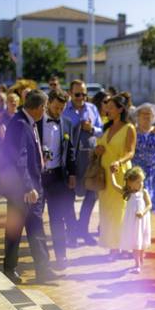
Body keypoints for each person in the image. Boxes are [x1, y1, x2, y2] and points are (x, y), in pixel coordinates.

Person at [0, 90, 56, 285]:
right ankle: (10, 268)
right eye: (45, 107)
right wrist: (28, 187)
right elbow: (19, 159)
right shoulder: (21, 124)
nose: (45, 110)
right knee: (16, 228)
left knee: (36, 227)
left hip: (27, 186)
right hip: (21, 188)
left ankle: (43, 269)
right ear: (38, 108)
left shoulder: (26, 121)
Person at [94, 94, 136, 258]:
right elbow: (99, 147)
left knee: (121, 211)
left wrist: (119, 162)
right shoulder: (106, 127)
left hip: (121, 173)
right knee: (106, 211)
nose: (107, 110)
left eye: (111, 107)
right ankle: (113, 246)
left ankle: (124, 247)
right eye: (106, 107)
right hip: (104, 175)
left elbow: (131, 152)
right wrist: (97, 151)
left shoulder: (129, 128)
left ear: (120, 109)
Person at [63, 80, 104, 245]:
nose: (81, 97)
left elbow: (102, 131)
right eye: (77, 94)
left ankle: (83, 230)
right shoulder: (65, 110)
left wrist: (92, 129)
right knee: (69, 197)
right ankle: (72, 232)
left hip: (91, 160)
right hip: (72, 160)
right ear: (70, 94)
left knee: (91, 196)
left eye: (84, 94)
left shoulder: (92, 108)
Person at [41, 89, 79, 266]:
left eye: (62, 108)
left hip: (57, 176)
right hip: (39, 176)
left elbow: (71, 151)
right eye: (56, 107)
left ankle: (60, 256)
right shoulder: (37, 121)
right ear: (48, 103)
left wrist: (72, 174)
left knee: (57, 218)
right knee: (34, 218)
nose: (58, 111)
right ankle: (40, 257)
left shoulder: (67, 123)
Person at [111, 166, 152, 274]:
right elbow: (115, 186)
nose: (141, 184)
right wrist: (112, 174)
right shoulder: (128, 194)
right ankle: (137, 264)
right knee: (135, 242)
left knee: (142, 242)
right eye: (138, 182)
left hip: (142, 221)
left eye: (142, 181)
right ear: (130, 183)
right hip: (132, 222)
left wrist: (143, 212)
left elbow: (149, 205)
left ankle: (140, 259)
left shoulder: (144, 192)